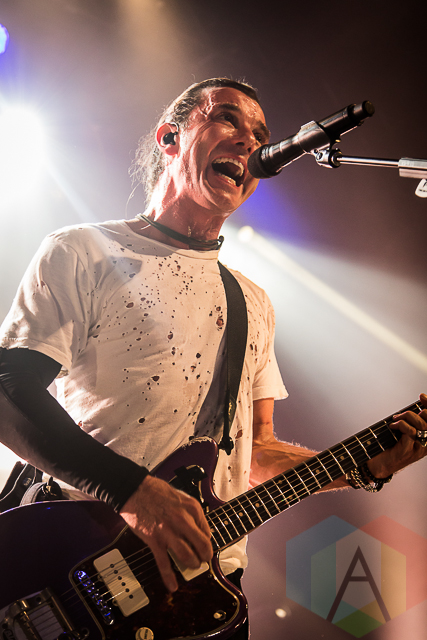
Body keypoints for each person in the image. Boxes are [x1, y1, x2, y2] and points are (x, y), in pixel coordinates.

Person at [0, 78, 426, 639]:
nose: (249, 142)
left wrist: (360, 468)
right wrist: (133, 491)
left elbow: (255, 453)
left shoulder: (252, 302)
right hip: (75, 567)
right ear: (169, 138)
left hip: (205, 590)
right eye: (227, 119)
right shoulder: (84, 250)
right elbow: (9, 394)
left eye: (260, 136)